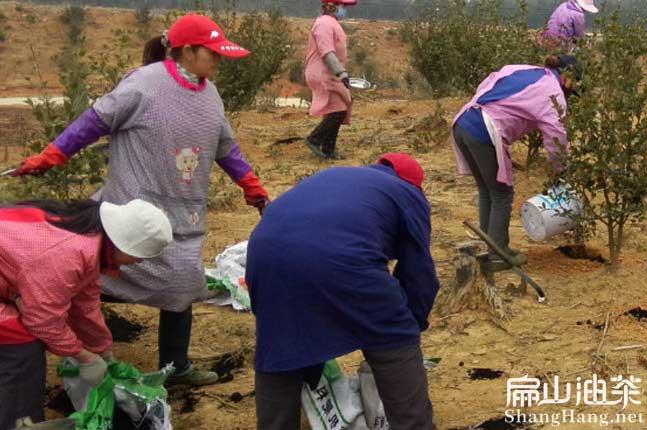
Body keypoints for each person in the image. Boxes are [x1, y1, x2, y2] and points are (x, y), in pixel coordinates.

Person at [12, 14, 270, 386]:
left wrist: (251, 185)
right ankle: (71, 339)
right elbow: (94, 121)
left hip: (184, 216)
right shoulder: (144, 85)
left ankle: (176, 366)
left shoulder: (210, 95)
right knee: (94, 277)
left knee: (182, 285)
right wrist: (53, 155)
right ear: (185, 51)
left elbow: (225, 147)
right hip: (129, 211)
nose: (218, 60)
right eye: (211, 53)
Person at [247, 153, 440, 430]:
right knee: (394, 337)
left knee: (280, 340)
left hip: (263, 255)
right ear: (415, 184)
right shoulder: (408, 193)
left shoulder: (337, 177)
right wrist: (409, 328)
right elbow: (419, 274)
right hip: (341, 260)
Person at [0, 199, 172, 430]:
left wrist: (103, 350)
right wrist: (84, 357)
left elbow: (85, 304)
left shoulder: (90, 242)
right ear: (122, 243)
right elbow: (43, 320)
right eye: (138, 255)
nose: (138, 261)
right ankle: (18, 422)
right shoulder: (65, 253)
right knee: (21, 343)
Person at [451, 56, 578, 271]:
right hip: (483, 130)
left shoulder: (525, 69)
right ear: (567, 78)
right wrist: (562, 172)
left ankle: (491, 247)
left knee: (488, 190)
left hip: (463, 122)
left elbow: (490, 82)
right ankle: (498, 256)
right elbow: (556, 137)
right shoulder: (553, 92)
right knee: (502, 194)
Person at [304, 0, 357, 160]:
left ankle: (329, 149)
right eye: (343, 6)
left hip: (331, 73)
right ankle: (314, 140)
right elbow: (327, 52)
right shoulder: (323, 24)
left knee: (337, 109)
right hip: (323, 74)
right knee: (338, 110)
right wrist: (341, 74)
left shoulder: (331, 23)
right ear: (331, 5)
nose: (344, 9)